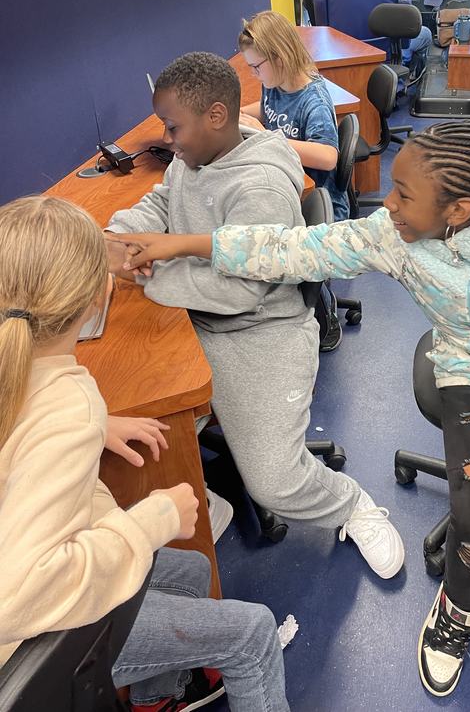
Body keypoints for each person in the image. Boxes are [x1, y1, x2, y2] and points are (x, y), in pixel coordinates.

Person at [113, 119, 470, 700]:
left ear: (459, 210)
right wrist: (181, 245)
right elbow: (295, 249)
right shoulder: (393, 234)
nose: (386, 204)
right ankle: (458, 608)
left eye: (403, 195)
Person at [105, 51, 404, 582]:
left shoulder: (259, 185)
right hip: (196, 315)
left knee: (275, 484)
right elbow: (161, 202)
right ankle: (205, 502)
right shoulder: (193, 156)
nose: (168, 140)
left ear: (216, 117)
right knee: (137, 432)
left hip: (259, 329)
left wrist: (146, 275)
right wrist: (121, 236)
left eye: (173, 128)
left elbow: (242, 292)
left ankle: (350, 504)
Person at [0, 195, 288, 712]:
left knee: (193, 571)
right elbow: (18, 595)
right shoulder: (67, 405)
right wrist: (154, 517)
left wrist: (95, 430)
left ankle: (159, 699)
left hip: (33, 590)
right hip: (28, 648)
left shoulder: (18, 368)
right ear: (98, 297)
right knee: (253, 633)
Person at [238, 10, 349, 220]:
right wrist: (239, 115)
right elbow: (267, 108)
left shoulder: (314, 101)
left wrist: (266, 137)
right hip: (286, 179)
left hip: (317, 205)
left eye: (256, 67)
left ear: (279, 59)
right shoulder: (275, 82)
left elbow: (328, 158)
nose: (253, 74)